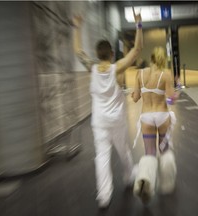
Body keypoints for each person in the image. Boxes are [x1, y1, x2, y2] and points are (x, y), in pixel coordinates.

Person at [72, 9, 143, 209]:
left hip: (99, 123)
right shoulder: (116, 68)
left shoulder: (91, 68)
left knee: (101, 157)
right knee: (123, 150)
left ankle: (104, 196)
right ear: (111, 54)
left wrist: (76, 26)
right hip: (117, 121)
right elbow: (137, 50)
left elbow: (78, 51)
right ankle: (129, 176)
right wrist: (138, 24)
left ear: (96, 54)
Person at [131, 46, 179, 204]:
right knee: (164, 150)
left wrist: (134, 93)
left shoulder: (140, 73)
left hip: (146, 116)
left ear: (151, 58)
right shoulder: (165, 74)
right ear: (163, 60)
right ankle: (167, 184)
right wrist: (175, 94)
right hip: (162, 115)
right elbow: (171, 99)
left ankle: (145, 179)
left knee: (149, 152)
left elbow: (135, 97)